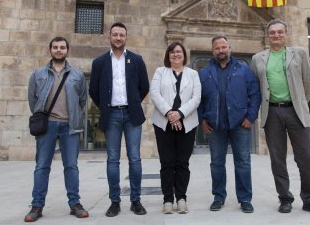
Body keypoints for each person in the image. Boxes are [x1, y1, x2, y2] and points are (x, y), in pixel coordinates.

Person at [250, 19, 310, 215]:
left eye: (280, 32)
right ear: (268, 35)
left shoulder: (299, 54)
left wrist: (299, 102)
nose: (276, 35)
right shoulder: (258, 58)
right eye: (272, 32)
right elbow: (255, 88)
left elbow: (308, 83)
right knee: (277, 158)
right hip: (272, 112)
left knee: (306, 158)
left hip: (296, 111)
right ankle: (285, 198)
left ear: (286, 34)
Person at [25, 37, 89, 222]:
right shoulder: (38, 74)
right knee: (42, 166)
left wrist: (75, 116)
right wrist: (42, 118)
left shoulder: (77, 75)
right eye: (55, 47)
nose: (59, 50)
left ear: (67, 50)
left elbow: (83, 101)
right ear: (50, 50)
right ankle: (37, 206)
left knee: (71, 166)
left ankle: (75, 204)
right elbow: (33, 100)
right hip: (47, 126)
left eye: (62, 47)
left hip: (69, 126)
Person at [89, 22, 149, 217]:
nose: (118, 38)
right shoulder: (99, 62)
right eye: (115, 34)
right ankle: (115, 201)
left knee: (135, 159)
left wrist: (133, 102)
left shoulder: (137, 60)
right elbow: (94, 91)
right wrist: (106, 106)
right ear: (109, 37)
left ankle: (135, 200)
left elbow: (144, 86)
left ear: (126, 38)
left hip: (132, 115)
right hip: (111, 114)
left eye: (121, 35)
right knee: (113, 160)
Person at [198, 36, 261, 213]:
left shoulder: (244, 70)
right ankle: (218, 197)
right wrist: (202, 120)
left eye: (224, 47)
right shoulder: (204, 72)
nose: (221, 50)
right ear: (212, 51)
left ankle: (245, 199)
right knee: (217, 163)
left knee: (243, 162)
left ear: (230, 48)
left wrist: (251, 116)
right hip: (214, 125)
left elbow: (255, 95)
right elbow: (198, 99)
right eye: (217, 48)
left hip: (240, 124)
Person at [150, 42, 201, 214]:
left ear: (184, 55)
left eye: (178, 51)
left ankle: (181, 198)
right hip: (163, 124)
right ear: (168, 55)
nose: (175, 54)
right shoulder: (160, 71)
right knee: (167, 163)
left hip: (187, 124)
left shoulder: (193, 74)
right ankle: (167, 200)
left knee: (182, 163)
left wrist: (179, 114)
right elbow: (155, 94)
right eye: (172, 52)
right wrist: (170, 114)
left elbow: (196, 98)